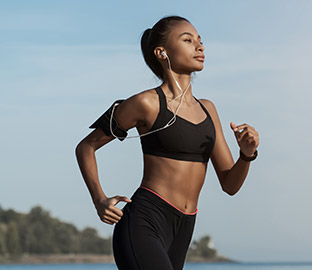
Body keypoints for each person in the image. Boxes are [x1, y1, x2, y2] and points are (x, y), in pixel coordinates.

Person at [75, 16, 260, 270]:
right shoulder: (147, 103)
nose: (200, 47)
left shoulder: (208, 110)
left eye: (200, 41)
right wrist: (99, 199)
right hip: (145, 221)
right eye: (188, 40)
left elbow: (230, 184)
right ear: (162, 52)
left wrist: (246, 154)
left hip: (183, 229)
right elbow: (86, 146)